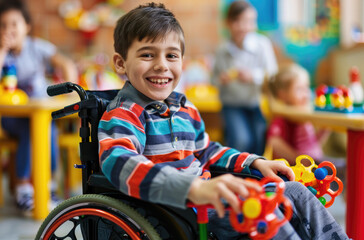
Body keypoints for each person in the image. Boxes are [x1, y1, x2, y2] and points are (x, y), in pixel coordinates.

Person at [98, 3, 348, 239]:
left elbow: (206, 151)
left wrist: (256, 162)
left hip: (211, 200)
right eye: (147, 55)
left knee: (295, 192)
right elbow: (120, 162)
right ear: (121, 63)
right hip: (179, 211)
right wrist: (191, 189)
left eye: (171, 56)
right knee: (267, 214)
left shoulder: (184, 108)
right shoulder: (125, 114)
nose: (162, 65)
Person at [0, 0, 78, 213]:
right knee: (31, 128)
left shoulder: (36, 47)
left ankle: (47, 185)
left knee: (46, 127)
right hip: (11, 117)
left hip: (40, 113)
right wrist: (2, 50)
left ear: (26, 26)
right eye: (3, 25)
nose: (9, 30)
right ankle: (24, 188)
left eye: (14, 24)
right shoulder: (2, 54)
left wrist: (71, 89)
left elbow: (66, 63)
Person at [211, 0, 278, 155]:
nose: (244, 27)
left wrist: (252, 76)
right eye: (238, 21)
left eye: (249, 22)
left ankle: (255, 176)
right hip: (232, 104)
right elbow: (213, 80)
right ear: (228, 23)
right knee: (241, 140)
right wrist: (221, 79)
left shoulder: (262, 44)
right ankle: (236, 173)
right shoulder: (222, 49)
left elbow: (273, 75)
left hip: (256, 103)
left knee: (260, 140)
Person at [266, 63, 334, 165]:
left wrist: (325, 128)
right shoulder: (283, 116)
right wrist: (297, 158)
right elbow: (274, 142)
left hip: (316, 161)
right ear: (283, 94)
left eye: (307, 87)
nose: (305, 93)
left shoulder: (304, 115)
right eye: (299, 89)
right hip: (300, 169)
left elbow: (312, 144)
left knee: (344, 165)